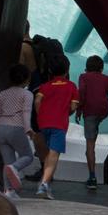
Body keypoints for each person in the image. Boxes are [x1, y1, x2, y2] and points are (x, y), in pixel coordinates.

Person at [75, 55, 108, 192]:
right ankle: (95, 130)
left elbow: (82, 93)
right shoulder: (106, 78)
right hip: (104, 110)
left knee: (90, 147)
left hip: (90, 111)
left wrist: (78, 110)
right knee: (95, 124)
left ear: (87, 68)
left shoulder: (83, 77)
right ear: (101, 68)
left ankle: (92, 178)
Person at [32, 59, 80, 199]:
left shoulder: (45, 86)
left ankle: (44, 184)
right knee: (54, 155)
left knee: (48, 155)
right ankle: (44, 184)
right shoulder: (71, 86)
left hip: (44, 124)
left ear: (51, 71)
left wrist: (40, 114)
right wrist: (67, 112)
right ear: (67, 70)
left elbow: (37, 100)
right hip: (59, 124)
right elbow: (73, 106)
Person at [0, 64, 37, 200]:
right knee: (27, 156)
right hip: (16, 128)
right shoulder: (27, 94)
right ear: (27, 79)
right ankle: (15, 169)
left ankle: (8, 191)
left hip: (0, 129)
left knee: (8, 162)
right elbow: (26, 112)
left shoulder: (2, 94)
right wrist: (28, 128)